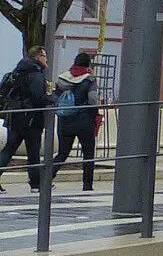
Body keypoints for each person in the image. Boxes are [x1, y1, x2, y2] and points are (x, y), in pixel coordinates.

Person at [0, 45, 51, 192]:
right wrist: (51, 98)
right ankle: (35, 184)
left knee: (9, 149)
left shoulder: (18, 71)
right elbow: (37, 97)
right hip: (30, 118)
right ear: (38, 57)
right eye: (44, 56)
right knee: (33, 152)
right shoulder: (36, 74)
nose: (46, 59)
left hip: (15, 116)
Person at [49, 49, 99, 192]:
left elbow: (54, 98)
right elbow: (93, 99)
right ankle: (87, 185)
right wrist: (94, 115)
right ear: (87, 65)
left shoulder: (62, 78)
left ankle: (46, 178)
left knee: (63, 152)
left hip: (65, 121)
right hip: (84, 121)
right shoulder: (89, 79)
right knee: (88, 154)